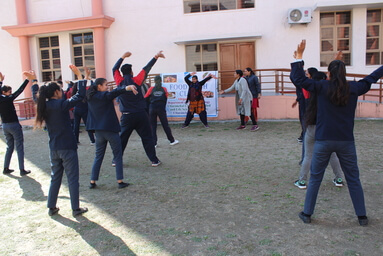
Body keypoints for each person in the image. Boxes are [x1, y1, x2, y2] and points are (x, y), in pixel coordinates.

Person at [291, 39, 383, 226]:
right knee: (353, 179)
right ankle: (362, 217)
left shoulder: (322, 86)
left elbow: (299, 79)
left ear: (329, 73)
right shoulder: (354, 88)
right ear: (345, 73)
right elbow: (371, 78)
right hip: (346, 141)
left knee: (316, 177)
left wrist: (299, 57)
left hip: (324, 140)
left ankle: (307, 214)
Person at [34, 64, 88, 217]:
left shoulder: (44, 106)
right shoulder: (60, 104)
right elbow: (79, 97)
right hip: (67, 147)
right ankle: (75, 208)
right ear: (56, 92)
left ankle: (52, 206)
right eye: (60, 90)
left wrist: (33, 82)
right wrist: (79, 78)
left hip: (54, 148)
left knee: (55, 178)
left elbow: (35, 95)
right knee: (72, 178)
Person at [112, 51, 164, 167]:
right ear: (131, 72)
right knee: (147, 138)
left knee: (122, 139)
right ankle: (154, 160)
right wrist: (155, 57)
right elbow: (147, 69)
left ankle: (116, 160)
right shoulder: (137, 80)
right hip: (140, 114)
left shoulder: (119, 82)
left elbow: (114, 69)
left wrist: (122, 57)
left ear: (121, 73)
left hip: (126, 115)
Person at [294, 71, 344, 189]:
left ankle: (302, 181)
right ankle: (339, 178)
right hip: (327, 128)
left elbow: (299, 80)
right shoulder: (331, 95)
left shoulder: (309, 93)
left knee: (308, 156)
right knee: (332, 155)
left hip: (312, 127)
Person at [87, 77, 138, 189]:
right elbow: (115, 92)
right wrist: (126, 88)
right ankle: (120, 180)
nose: (107, 87)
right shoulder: (105, 96)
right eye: (105, 85)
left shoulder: (90, 97)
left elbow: (112, 92)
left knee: (98, 156)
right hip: (110, 130)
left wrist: (86, 77)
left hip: (99, 132)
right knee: (118, 155)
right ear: (99, 86)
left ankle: (92, 180)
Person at [0, 71, 34, 176]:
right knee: (19, 147)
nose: (11, 93)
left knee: (9, 147)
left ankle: (6, 167)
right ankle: (22, 169)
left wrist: (1, 82)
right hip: (14, 125)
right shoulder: (8, 99)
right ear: (4, 92)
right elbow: (19, 91)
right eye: (9, 92)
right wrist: (27, 80)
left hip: (5, 126)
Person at [144, 75, 179, 147]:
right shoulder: (164, 89)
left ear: (154, 81)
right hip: (161, 109)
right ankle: (172, 140)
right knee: (165, 125)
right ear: (161, 81)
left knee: (153, 126)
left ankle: (154, 143)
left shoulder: (151, 89)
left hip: (152, 108)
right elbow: (166, 98)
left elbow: (145, 98)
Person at [72, 68, 95, 145]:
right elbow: (83, 86)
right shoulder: (83, 94)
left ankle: (76, 140)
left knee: (76, 125)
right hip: (84, 109)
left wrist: (86, 75)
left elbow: (82, 85)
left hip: (76, 109)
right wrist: (87, 76)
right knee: (87, 125)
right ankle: (92, 140)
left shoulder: (75, 94)